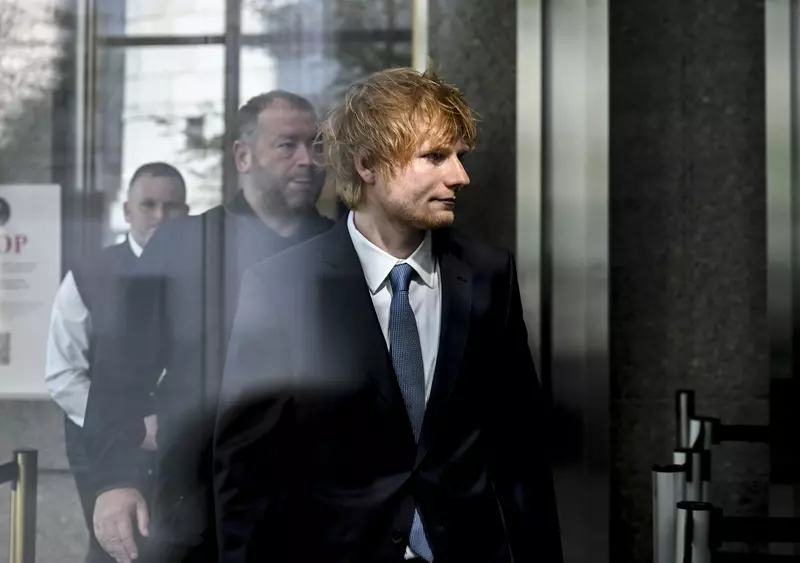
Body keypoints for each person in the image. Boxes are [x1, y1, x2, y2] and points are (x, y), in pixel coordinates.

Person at [214, 68, 562, 563]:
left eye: (459, 157)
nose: (459, 176)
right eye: (434, 157)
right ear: (367, 164)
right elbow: (246, 468)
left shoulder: (488, 273)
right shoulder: (281, 286)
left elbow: (520, 446)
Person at [84, 91, 334, 563]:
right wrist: (115, 479)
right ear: (242, 156)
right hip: (195, 505)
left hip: (313, 511)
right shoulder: (182, 244)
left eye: (317, 145)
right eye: (288, 145)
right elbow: (120, 370)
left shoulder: (344, 250)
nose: (307, 159)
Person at [45, 162, 189, 563]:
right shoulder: (88, 274)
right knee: (115, 551)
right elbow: (62, 373)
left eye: (172, 207)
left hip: (178, 441)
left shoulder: (204, 274)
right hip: (102, 442)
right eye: (149, 205)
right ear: (127, 211)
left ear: (187, 212)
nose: (160, 216)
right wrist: (132, 426)